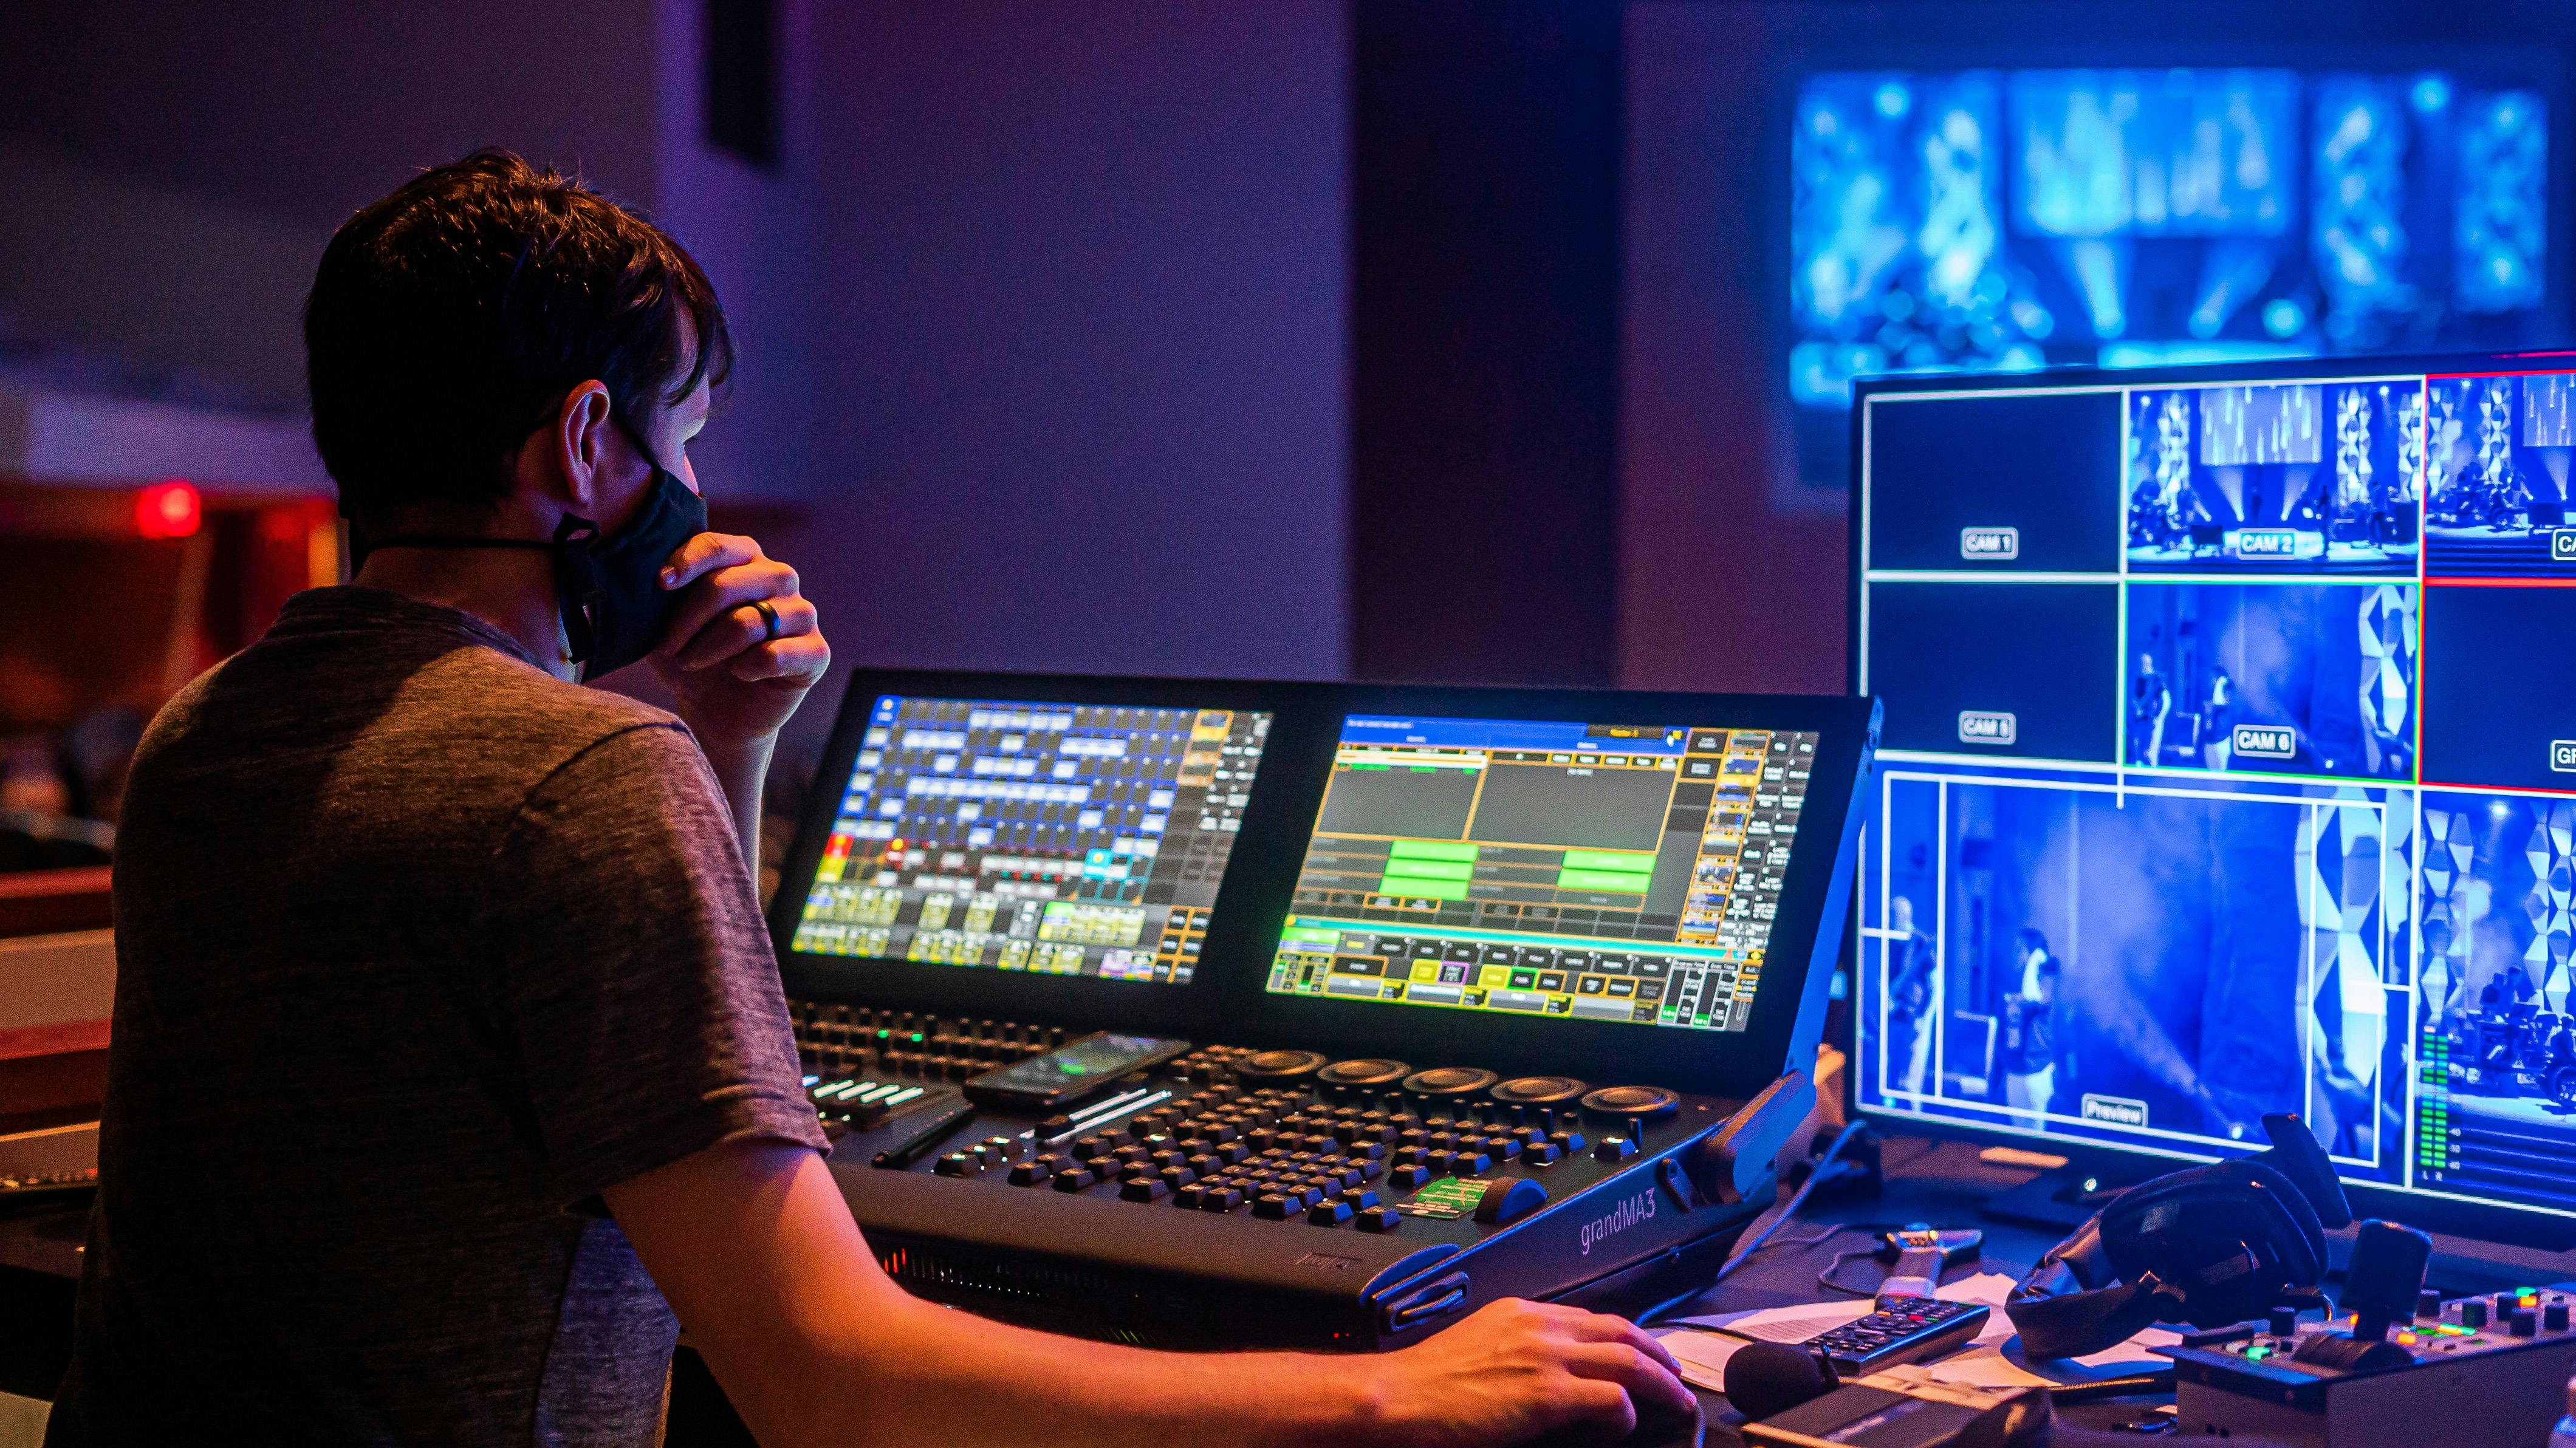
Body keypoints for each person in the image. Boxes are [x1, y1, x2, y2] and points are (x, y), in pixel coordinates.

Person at [46, 152, 1687, 1447]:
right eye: (684, 432)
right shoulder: (579, 782)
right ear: (589, 445)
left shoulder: (206, 738)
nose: (693, 492)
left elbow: (603, 1068)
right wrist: (1394, 1396)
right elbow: (836, 1387)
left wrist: (723, 733)